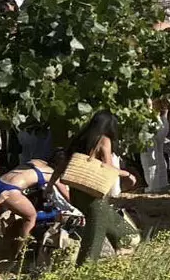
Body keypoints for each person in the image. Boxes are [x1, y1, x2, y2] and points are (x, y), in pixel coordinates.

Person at [54, 112, 136, 266]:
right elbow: (108, 167)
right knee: (94, 238)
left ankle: (117, 253)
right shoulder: (104, 140)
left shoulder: (79, 139)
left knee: (123, 231)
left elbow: (62, 165)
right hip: (95, 196)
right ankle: (84, 270)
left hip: (77, 193)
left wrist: (51, 184)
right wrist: (128, 175)